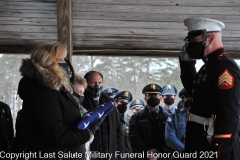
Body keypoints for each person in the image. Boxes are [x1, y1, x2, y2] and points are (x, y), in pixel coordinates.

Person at [17, 42, 98, 159]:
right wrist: (86, 134)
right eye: (60, 59)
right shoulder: (42, 90)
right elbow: (56, 133)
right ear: (48, 63)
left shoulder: (59, 90)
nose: (65, 63)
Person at [179, 17, 240, 160]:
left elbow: (229, 113)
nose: (192, 44)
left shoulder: (224, 66)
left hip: (211, 142)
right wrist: (186, 64)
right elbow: (196, 93)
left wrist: (219, 150)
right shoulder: (209, 66)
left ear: (211, 37)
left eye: (195, 39)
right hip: (200, 138)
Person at [82, 70, 124, 160]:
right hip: (89, 154)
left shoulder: (109, 102)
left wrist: (120, 154)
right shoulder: (81, 102)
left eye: (99, 82)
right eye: (93, 82)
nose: (97, 85)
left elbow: (118, 129)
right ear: (86, 83)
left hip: (109, 153)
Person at [129, 83, 168, 160]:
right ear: (145, 98)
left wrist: (158, 151)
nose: (153, 98)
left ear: (160, 98)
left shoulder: (167, 117)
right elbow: (134, 138)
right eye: (150, 96)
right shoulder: (136, 117)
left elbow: (169, 138)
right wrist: (148, 152)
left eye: (156, 95)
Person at [165, 88, 191, 155]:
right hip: (179, 154)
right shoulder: (173, 117)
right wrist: (185, 151)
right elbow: (169, 137)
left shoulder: (203, 117)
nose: (190, 101)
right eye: (187, 98)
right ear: (183, 101)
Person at [114, 91, 133, 159]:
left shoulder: (130, 120)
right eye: (121, 102)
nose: (124, 105)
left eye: (126, 103)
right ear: (116, 102)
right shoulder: (110, 119)